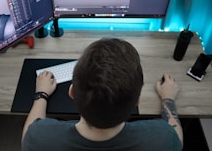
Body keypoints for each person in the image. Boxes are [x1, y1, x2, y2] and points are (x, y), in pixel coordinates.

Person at [22, 38, 183, 151]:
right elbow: (177, 138)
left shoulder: (39, 138)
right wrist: (168, 99)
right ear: (137, 101)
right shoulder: (162, 139)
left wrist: (41, 94)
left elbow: (27, 135)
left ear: (72, 92)